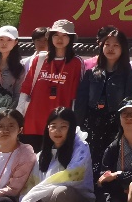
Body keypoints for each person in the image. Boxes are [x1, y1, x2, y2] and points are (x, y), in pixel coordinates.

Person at [10, 106, 94, 202]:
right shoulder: (41, 155)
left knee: (60, 192)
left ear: (71, 128)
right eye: (53, 126)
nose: (57, 131)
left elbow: (70, 177)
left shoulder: (81, 148)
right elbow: (31, 185)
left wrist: (29, 200)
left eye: (63, 126)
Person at [76, 29, 132, 179]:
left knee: (109, 160)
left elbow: (129, 103)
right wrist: (77, 125)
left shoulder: (127, 75)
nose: (111, 48)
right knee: (88, 160)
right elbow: (81, 102)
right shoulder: (91, 73)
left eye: (116, 45)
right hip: (91, 124)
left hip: (114, 124)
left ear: (122, 48)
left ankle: (105, 189)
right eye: (107, 44)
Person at [17, 19, 84, 150]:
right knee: (32, 159)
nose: (60, 39)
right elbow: (26, 88)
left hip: (59, 125)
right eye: (56, 35)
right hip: (34, 121)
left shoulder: (76, 63)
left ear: (70, 38)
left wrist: (74, 122)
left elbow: (76, 96)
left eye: (64, 35)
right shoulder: (39, 59)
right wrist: (19, 113)